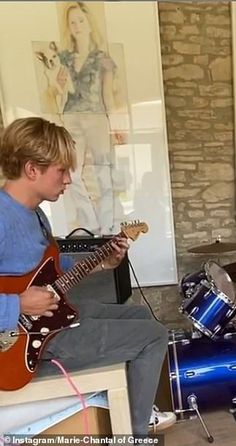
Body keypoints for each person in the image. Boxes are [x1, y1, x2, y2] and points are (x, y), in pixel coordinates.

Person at [0, 117, 175, 436]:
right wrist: (17, 305)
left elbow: (50, 266)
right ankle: (134, 436)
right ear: (31, 169)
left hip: (52, 318)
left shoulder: (35, 214)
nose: (68, 180)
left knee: (139, 314)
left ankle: (135, 409)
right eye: (61, 170)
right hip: (22, 342)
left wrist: (103, 263)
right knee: (154, 335)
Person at [57, 1, 127, 235]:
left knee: (103, 171)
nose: (77, 25)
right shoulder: (65, 57)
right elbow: (60, 88)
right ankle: (89, 224)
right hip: (72, 117)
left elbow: (107, 95)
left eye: (81, 20)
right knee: (72, 174)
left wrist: (115, 125)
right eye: (72, 21)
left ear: (88, 23)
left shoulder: (102, 58)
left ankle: (107, 225)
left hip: (97, 117)